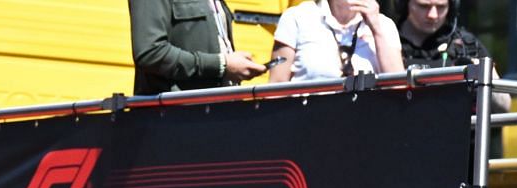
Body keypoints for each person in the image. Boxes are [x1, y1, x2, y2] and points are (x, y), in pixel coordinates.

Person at [128, 0, 265, 94]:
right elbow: (150, 53)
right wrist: (221, 64)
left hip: (219, 112)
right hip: (177, 119)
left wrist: (235, 64)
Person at [269, 0, 404, 81]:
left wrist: (376, 29)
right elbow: (276, 86)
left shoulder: (384, 24)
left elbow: (399, 86)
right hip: (307, 120)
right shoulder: (297, 17)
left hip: (365, 119)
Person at [391, 0, 489, 68]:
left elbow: (500, 96)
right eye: (423, 6)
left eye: (441, 7)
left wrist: (485, 72)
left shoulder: (468, 46)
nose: (433, 15)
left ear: (452, 7)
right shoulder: (384, 43)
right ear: (403, 4)